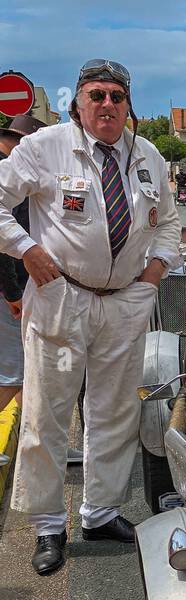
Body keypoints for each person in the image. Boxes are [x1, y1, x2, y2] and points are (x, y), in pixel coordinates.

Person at [0, 59, 182, 575]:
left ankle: (100, 512)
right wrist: (26, 250)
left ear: (128, 105)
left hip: (124, 301)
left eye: (116, 97)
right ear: (78, 102)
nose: (107, 105)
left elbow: (166, 223)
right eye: (96, 95)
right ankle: (48, 525)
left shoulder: (148, 157)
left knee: (115, 412)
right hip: (62, 295)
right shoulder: (46, 146)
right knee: (48, 412)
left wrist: (153, 276)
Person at [0, 116, 47, 414]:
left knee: (23, 373)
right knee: (13, 375)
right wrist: (13, 293)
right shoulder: (9, 176)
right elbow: (4, 244)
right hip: (7, 293)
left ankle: (34, 437)